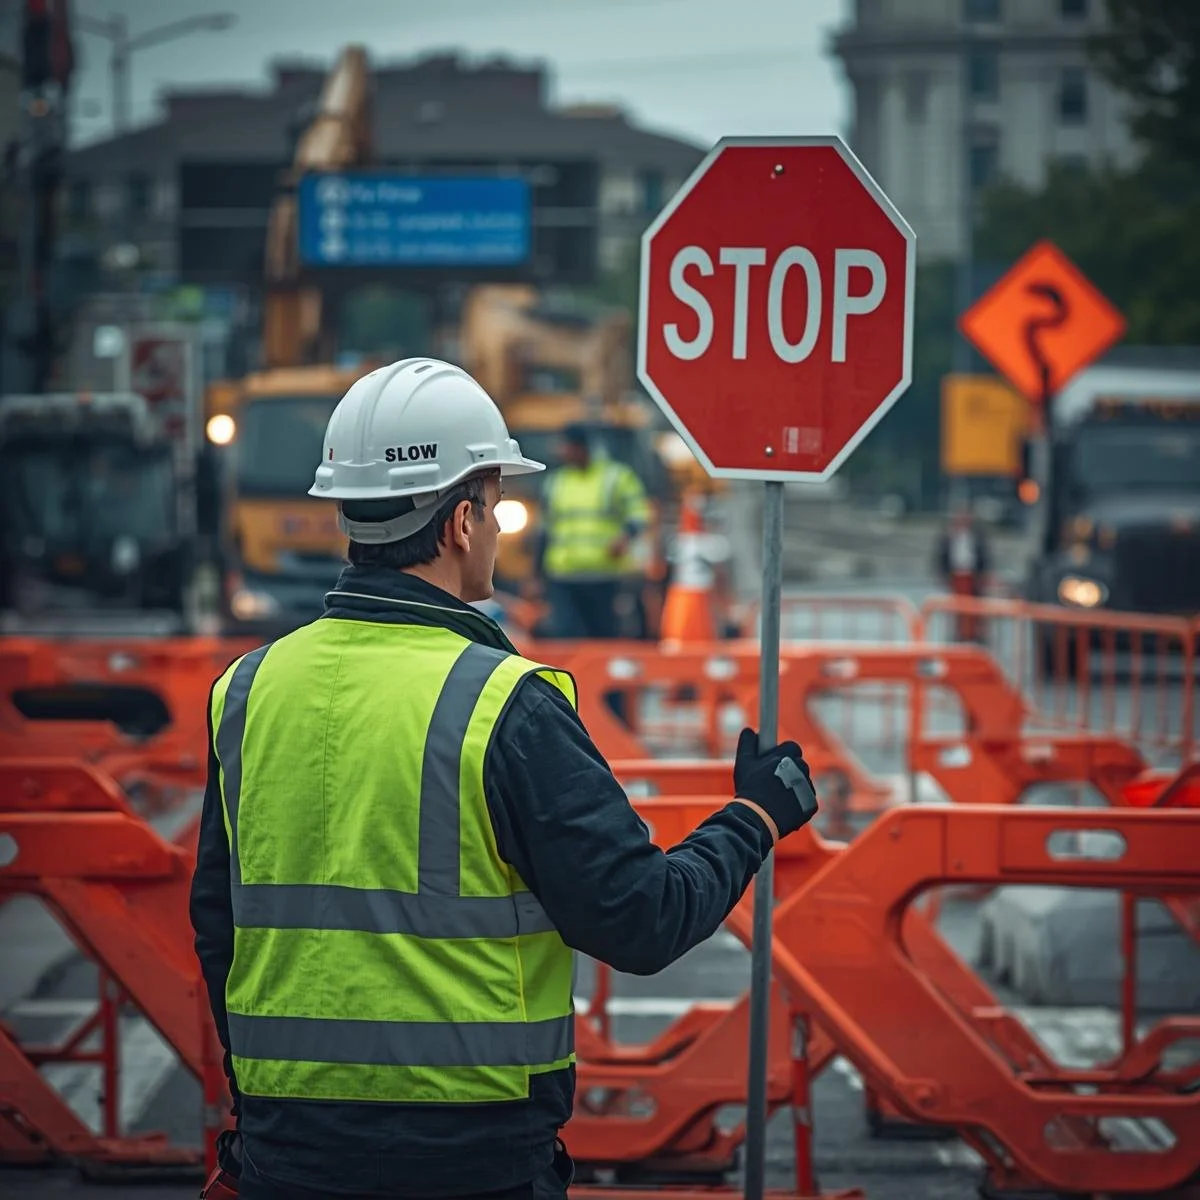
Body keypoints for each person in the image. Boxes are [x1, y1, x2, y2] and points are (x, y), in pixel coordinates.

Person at [189, 357, 820, 1200]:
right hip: (470, 1162)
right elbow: (640, 919)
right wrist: (755, 818)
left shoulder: (246, 691)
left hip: (284, 1156)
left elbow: (217, 927)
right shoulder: (501, 704)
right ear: (459, 521)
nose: (495, 526)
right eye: (492, 503)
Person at [534, 421, 651, 639]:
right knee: (565, 636)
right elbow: (545, 529)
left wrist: (625, 537)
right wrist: (536, 574)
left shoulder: (616, 477)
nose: (562, 452)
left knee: (603, 635)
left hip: (603, 575)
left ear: (581, 447)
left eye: (566, 446)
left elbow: (639, 514)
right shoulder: (556, 481)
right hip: (563, 576)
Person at [934, 502, 992, 642]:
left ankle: (976, 635)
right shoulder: (948, 536)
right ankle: (958, 634)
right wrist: (942, 575)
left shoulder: (978, 536)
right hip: (955, 577)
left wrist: (984, 575)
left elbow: (985, 556)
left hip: (973, 577)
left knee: (974, 608)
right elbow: (940, 557)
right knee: (956, 609)